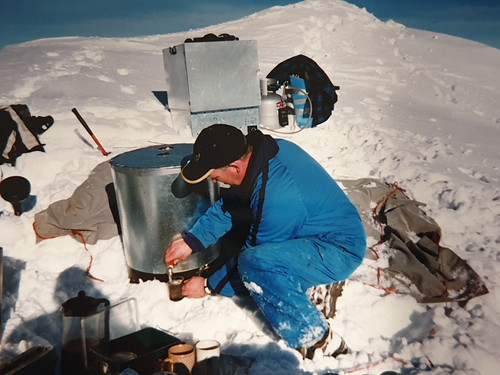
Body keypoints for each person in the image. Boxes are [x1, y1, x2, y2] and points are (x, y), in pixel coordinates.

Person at [165, 124, 366, 359]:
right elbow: (233, 204)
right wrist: (192, 241)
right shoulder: (263, 155)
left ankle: (316, 341)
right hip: (309, 230)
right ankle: (303, 281)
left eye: (214, 176)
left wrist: (208, 285)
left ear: (234, 166)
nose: (214, 182)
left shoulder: (278, 196)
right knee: (251, 246)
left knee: (255, 263)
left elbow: (255, 259)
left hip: (338, 248)